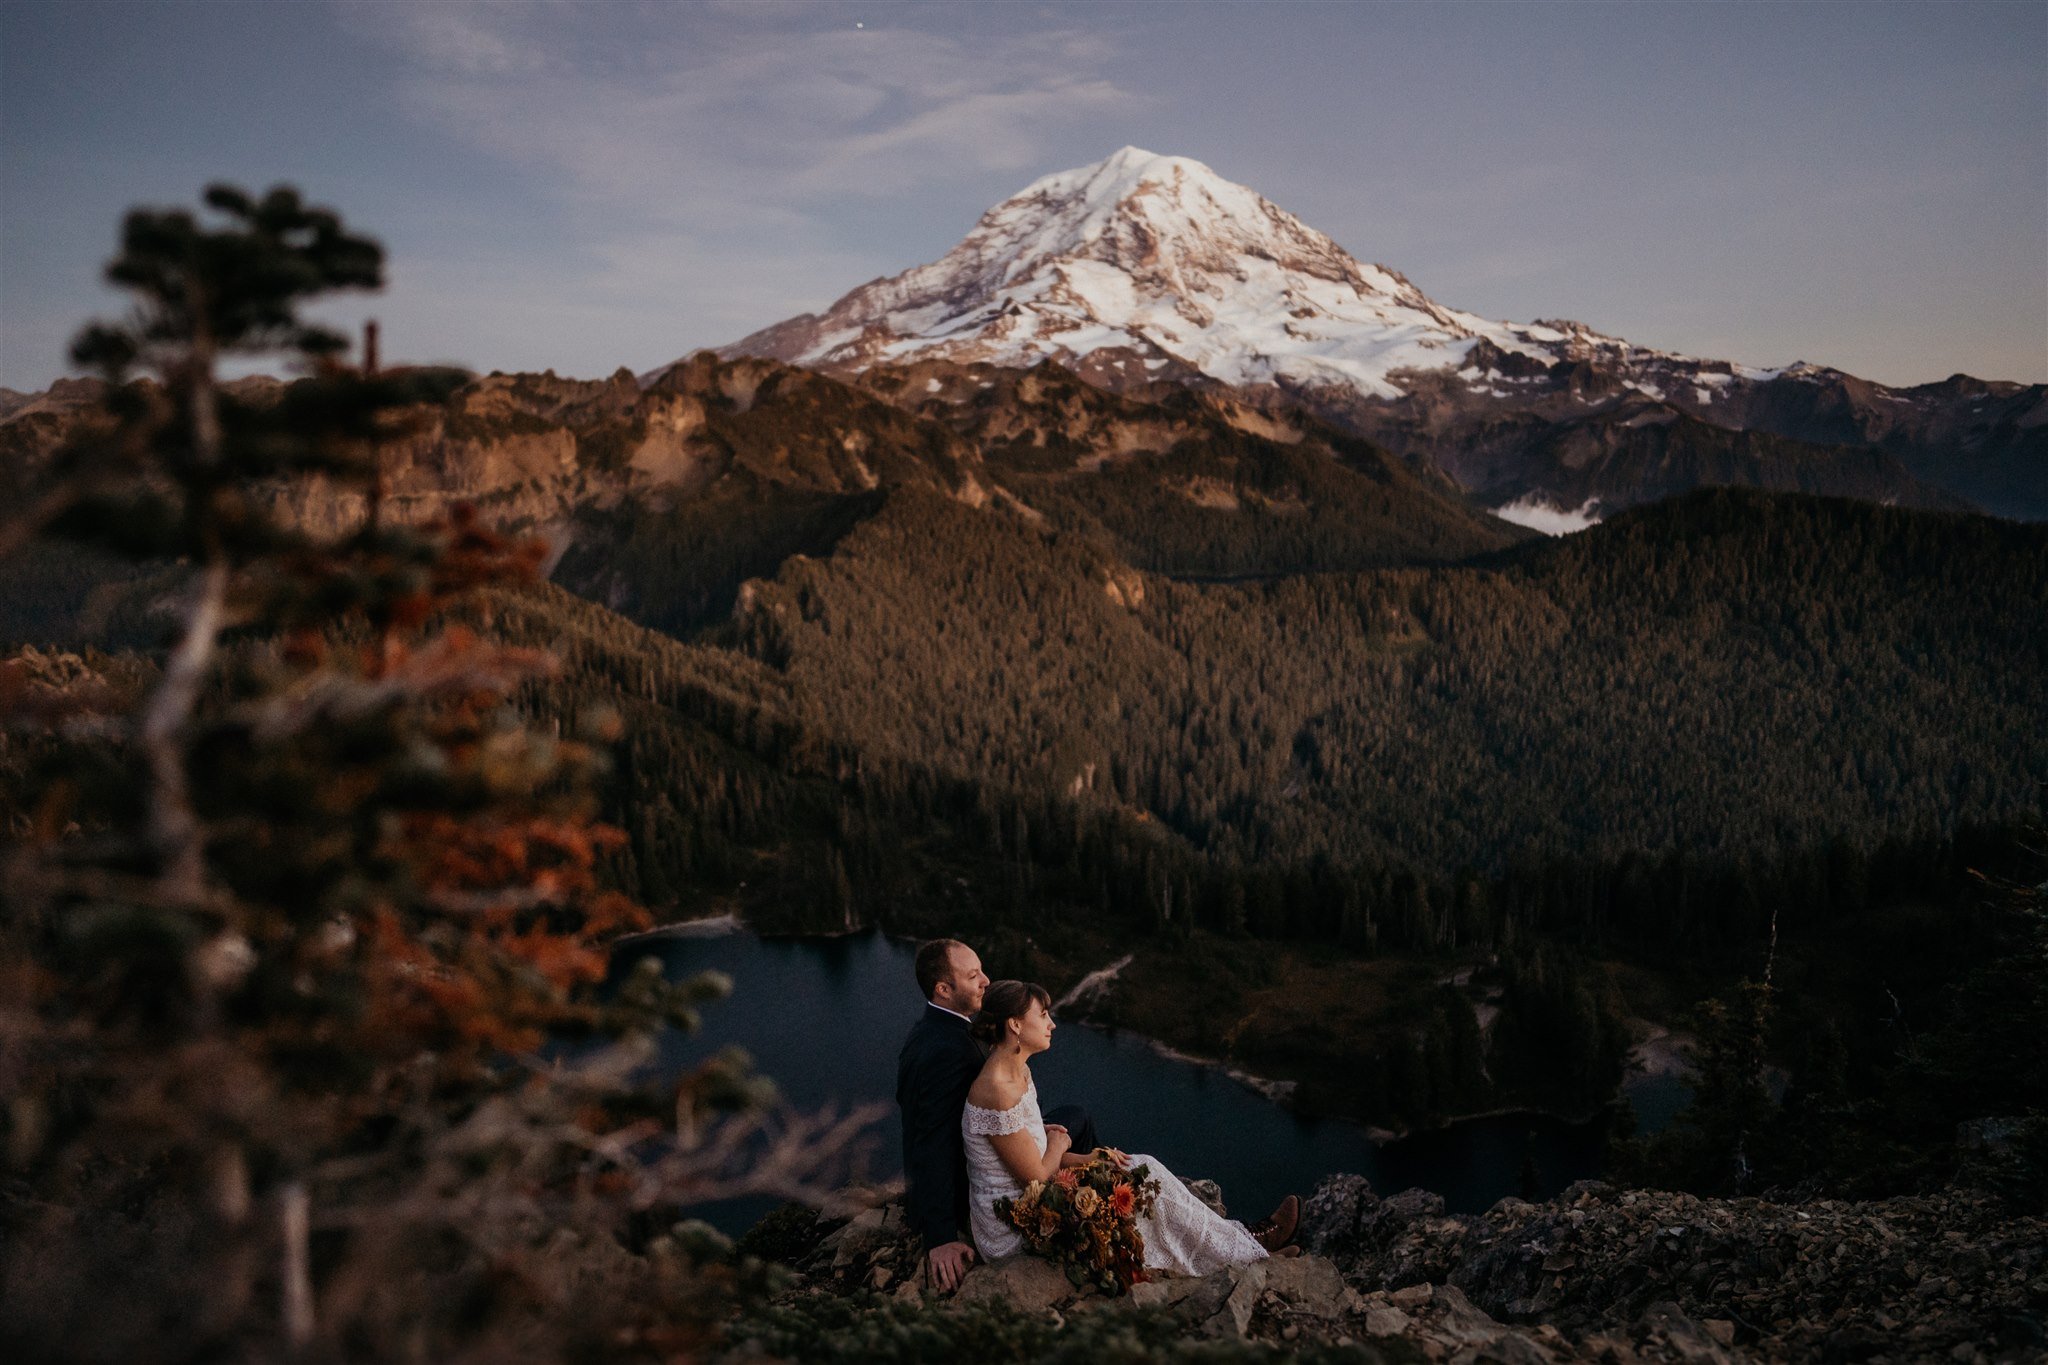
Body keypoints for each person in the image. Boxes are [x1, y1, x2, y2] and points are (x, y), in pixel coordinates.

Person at [960, 979, 1302, 1275]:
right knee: (1136, 1194)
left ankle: (1244, 1244)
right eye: (1043, 1015)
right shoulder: (997, 1089)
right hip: (1014, 1225)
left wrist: (1089, 1158)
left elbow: (1028, 1157)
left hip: (1033, 1196)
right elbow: (1033, 1177)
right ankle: (1249, 1252)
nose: (1052, 1024)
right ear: (1016, 1025)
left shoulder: (1016, 1070)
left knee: (1140, 1167)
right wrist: (1060, 1145)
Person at [896, 939, 1109, 1291]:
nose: (986, 980)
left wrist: (1027, 1131)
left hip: (991, 1148)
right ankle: (1093, 1195)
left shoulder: (937, 1029)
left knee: (1074, 1116)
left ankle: (1089, 1183)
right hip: (975, 1190)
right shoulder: (944, 1051)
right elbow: (929, 1140)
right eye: (973, 975)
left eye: (981, 970)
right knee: (1077, 1123)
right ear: (944, 989)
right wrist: (940, 1236)